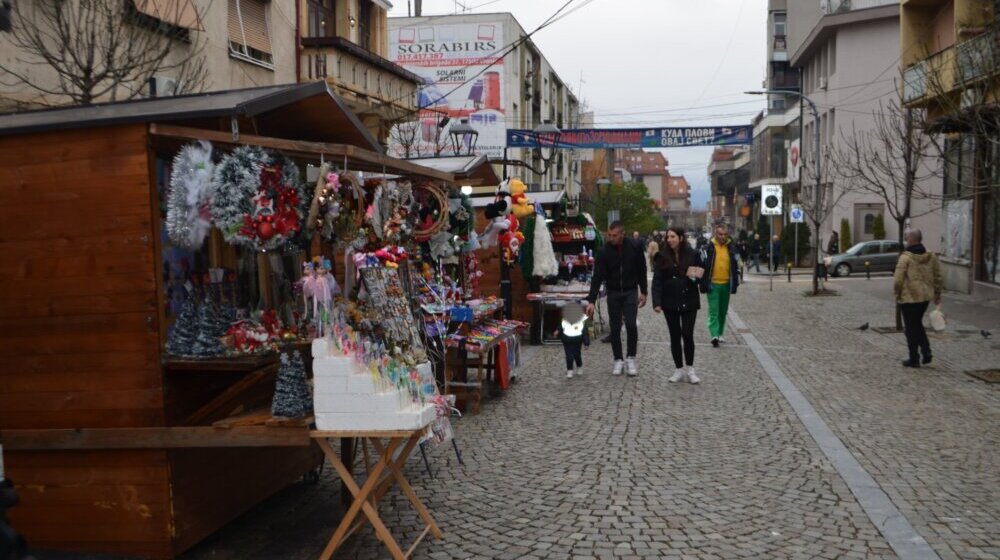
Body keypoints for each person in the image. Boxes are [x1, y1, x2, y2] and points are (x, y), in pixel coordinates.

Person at [586, 221, 648, 376]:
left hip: (630, 291)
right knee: (614, 328)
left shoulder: (634, 248)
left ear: (622, 234)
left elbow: (642, 270)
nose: (611, 238)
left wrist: (644, 291)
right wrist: (591, 300)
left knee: (631, 325)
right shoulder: (604, 251)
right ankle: (618, 359)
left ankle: (631, 358)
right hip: (613, 292)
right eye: (609, 235)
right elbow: (598, 276)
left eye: (614, 235)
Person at [652, 228, 704, 384]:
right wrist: (657, 302)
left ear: (680, 238)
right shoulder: (661, 256)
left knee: (687, 334)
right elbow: (657, 280)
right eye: (668, 237)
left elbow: (702, 272)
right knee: (675, 336)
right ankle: (678, 369)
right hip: (670, 301)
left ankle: (690, 369)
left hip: (689, 299)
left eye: (673, 236)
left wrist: (696, 277)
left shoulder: (692, 254)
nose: (669, 239)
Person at [893, 229, 942, 368]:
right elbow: (938, 275)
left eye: (907, 238)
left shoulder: (905, 257)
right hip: (925, 297)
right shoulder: (931, 256)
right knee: (917, 324)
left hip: (909, 297)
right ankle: (926, 351)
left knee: (911, 328)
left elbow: (898, 280)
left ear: (910, 240)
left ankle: (914, 358)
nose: (906, 240)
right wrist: (937, 294)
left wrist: (897, 294)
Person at [700, 221, 739, 347]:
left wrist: (736, 280)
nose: (723, 237)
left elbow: (736, 264)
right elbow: (702, 264)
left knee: (723, 310)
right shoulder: (709, 247)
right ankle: (714, 335)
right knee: (714, 311)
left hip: (726, 284)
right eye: (720, 234)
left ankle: (720, 333)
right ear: (715, 234)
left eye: (725, 234)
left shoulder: (731, 248)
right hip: (713, 284)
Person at [556, 301, 590, 378]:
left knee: (576, 354)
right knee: (569, 356)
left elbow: (585, 332)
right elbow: (561, 326)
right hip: (566, 340)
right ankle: (569, 370)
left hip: (577, 340)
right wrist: (558, 331)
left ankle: (579, 366)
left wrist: (586, 343)